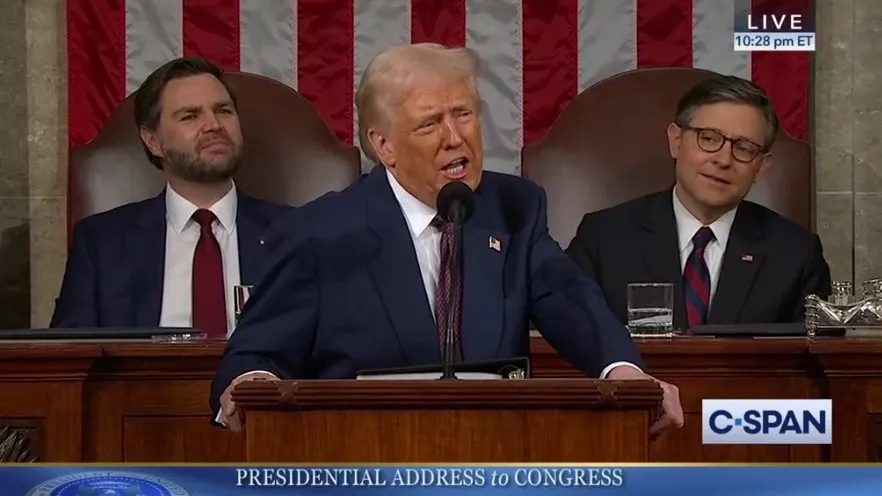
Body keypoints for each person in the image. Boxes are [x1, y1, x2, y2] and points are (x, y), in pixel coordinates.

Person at [210, 43, 683, 434]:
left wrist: (624, 372)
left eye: (464, 114)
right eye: (430, 123)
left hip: (497, 458)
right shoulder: (321, 231)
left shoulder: (515, 208)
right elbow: (256, 353)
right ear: (385, 146)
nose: (455, 138)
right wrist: (250, 385)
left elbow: (568, 296)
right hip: (358, 457)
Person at [50, 57, 292, 337]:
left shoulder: (292, 234)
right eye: (191, 116)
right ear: (153, 141)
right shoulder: (101, 244)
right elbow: (69, 358)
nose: (213, 125)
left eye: (223, 111)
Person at [566, 75, 831, 330]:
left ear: (761, 167)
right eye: (709, 139)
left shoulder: (795, 254)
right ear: (676, 141)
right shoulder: (604, 238)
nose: (723, 160)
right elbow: (566, 339)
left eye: (744, 148)